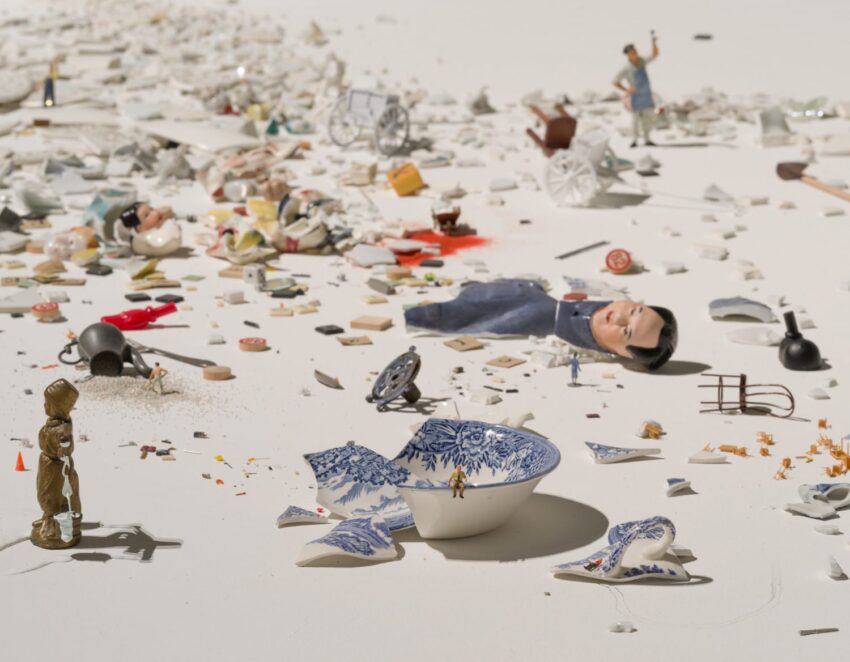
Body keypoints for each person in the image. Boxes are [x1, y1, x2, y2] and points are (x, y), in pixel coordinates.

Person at [404, 279, 678, 371]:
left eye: (626, 331)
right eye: (632, 310)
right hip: (533, 297)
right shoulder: (601, 306)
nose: (618, 317)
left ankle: (413, 317)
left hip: (534, 314)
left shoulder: (556, 326)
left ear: (624, 353)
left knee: (467, 314)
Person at [612, 34, 659, 147]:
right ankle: (635, 140)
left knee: (648, 118)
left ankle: (647, 139)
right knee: (635, 120)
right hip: (636, 97)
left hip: (646, 95)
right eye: (632, 52)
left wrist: (653, 43)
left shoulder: (641, 61)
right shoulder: (626, 68)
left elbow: (654, 55)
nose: (635, 53)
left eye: (635, 51)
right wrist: (627, 89)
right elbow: (615, 81)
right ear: (628, 55)